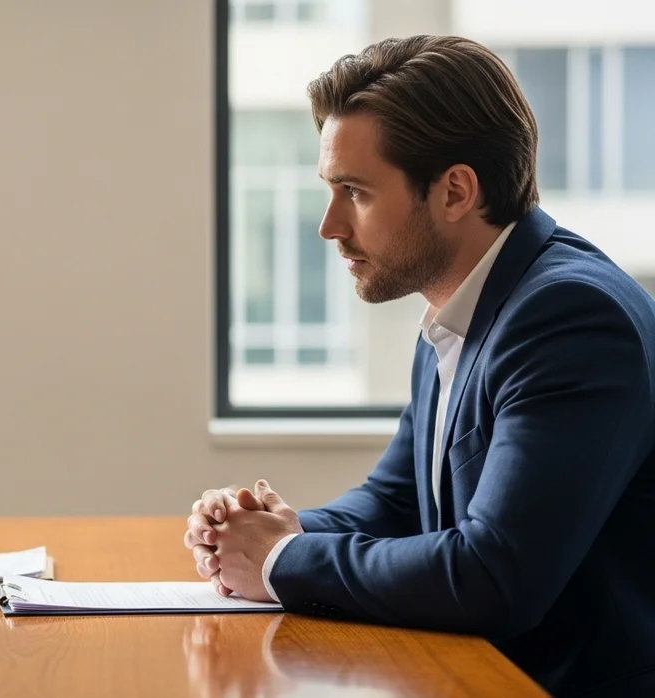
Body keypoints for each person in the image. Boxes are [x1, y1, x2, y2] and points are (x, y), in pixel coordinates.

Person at [185, 35, 655, 696]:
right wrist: (262, 530)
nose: (329, 226)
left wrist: (282, 558)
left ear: (456, 191)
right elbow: (398, 501)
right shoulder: (460, 303)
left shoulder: (569, 318)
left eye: (355, 193)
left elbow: (494, 577)